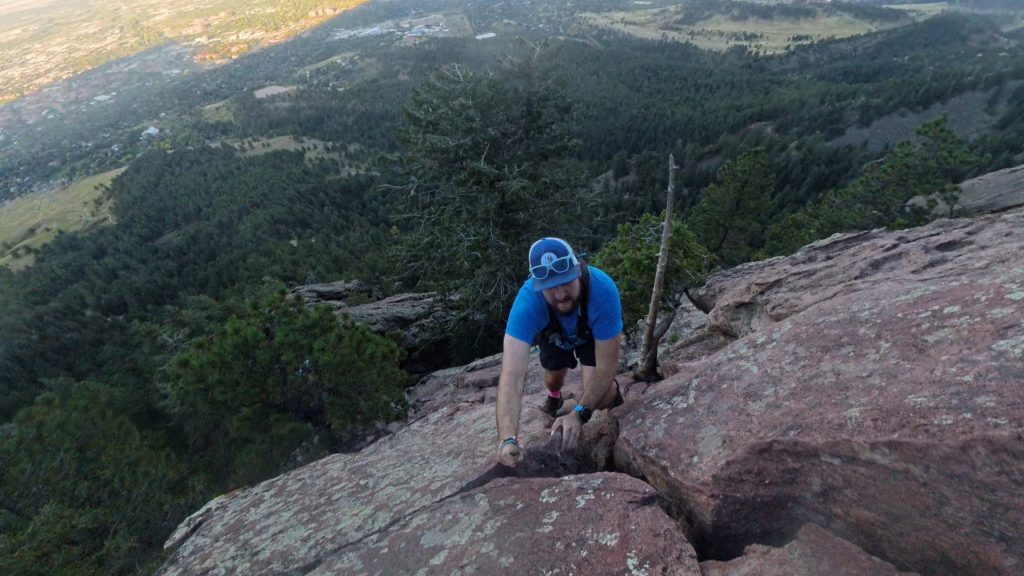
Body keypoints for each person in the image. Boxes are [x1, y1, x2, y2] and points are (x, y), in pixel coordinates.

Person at [495, 237, 624, 467]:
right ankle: (555, 397)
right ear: (537, 286)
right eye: (549, 287)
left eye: (566, 281)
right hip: (553, 336)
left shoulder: (602, 289)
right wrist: (507, 438)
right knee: (553, 380)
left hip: (589, 336)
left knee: (604, 394)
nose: (560, 293)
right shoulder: (527, 304)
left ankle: (591, 399)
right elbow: (511, 377)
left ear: (578, 269)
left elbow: (607, 366)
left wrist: (579, 413)